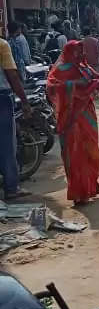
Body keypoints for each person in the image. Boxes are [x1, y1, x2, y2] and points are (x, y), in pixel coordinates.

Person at [46, 40, 99, 205]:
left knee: (92, 152)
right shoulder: (61, 69)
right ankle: (80, 193)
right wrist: (77, 84)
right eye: (77, 51)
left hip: (87, 114)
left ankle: (90, 187)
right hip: (71, 117)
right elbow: (52, 87)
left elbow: (96, 78)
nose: (80, 55)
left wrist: (98, 85)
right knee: (75, 153)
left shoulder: (83, 67)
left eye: (81, 51)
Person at [0, 35, 31, 201]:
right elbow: (12, 75)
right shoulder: (2, 45)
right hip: (2, 98)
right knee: (6, 145)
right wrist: (24, 101)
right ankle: (11, 188)